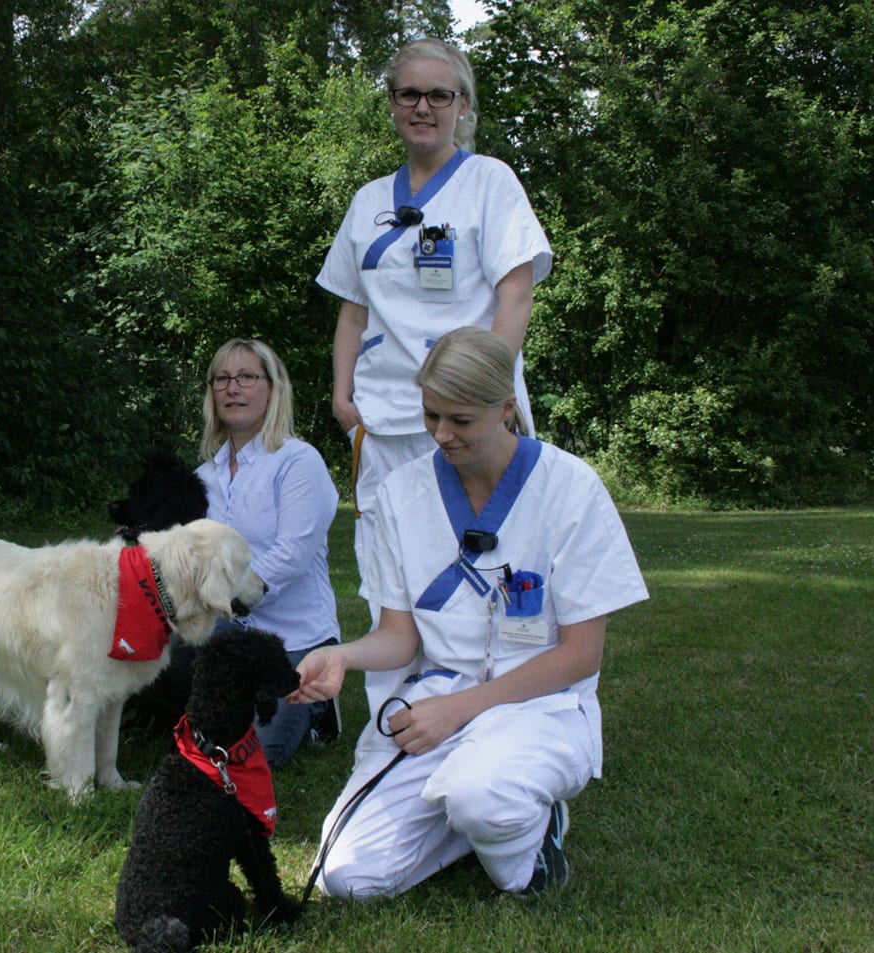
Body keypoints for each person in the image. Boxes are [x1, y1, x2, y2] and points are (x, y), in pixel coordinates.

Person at [288, 327, 648, 898]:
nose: (440, 434)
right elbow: (399, 638)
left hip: (540, 706)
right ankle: (475, 814)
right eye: (431, 415)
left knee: (481, 795)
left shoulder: (570, 487)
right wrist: (341, 657)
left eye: (460, 420)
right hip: (435, 702)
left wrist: (460, 710)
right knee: (347, 879)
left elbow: (582, 654)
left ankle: (526, 830)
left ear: (506, 409)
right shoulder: (401, 493)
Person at [316, 37, 554, 712]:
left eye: (439, 95)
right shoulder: (368, 201)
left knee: (493, 560)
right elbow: (352, 309)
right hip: (385, 421)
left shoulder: (491, 182)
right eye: (409, 94)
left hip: (471, 416)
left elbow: (515, 293)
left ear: (463, 106)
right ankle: (395, 714)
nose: (423, 107)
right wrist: (342, 397)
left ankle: (497, 708)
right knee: (390, 567)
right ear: (392, 104)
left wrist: (488, 390)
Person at [196, 338, 341, 768]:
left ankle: (319, 707)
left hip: (292, 638)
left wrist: (221, 597)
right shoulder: (204, 476)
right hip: (224, 632)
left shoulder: (298, 461)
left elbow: (292, 555)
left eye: (246, 377)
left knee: (251, 755)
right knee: (183, 715)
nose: (232, 388)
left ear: (273, 389)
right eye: (222, 379)